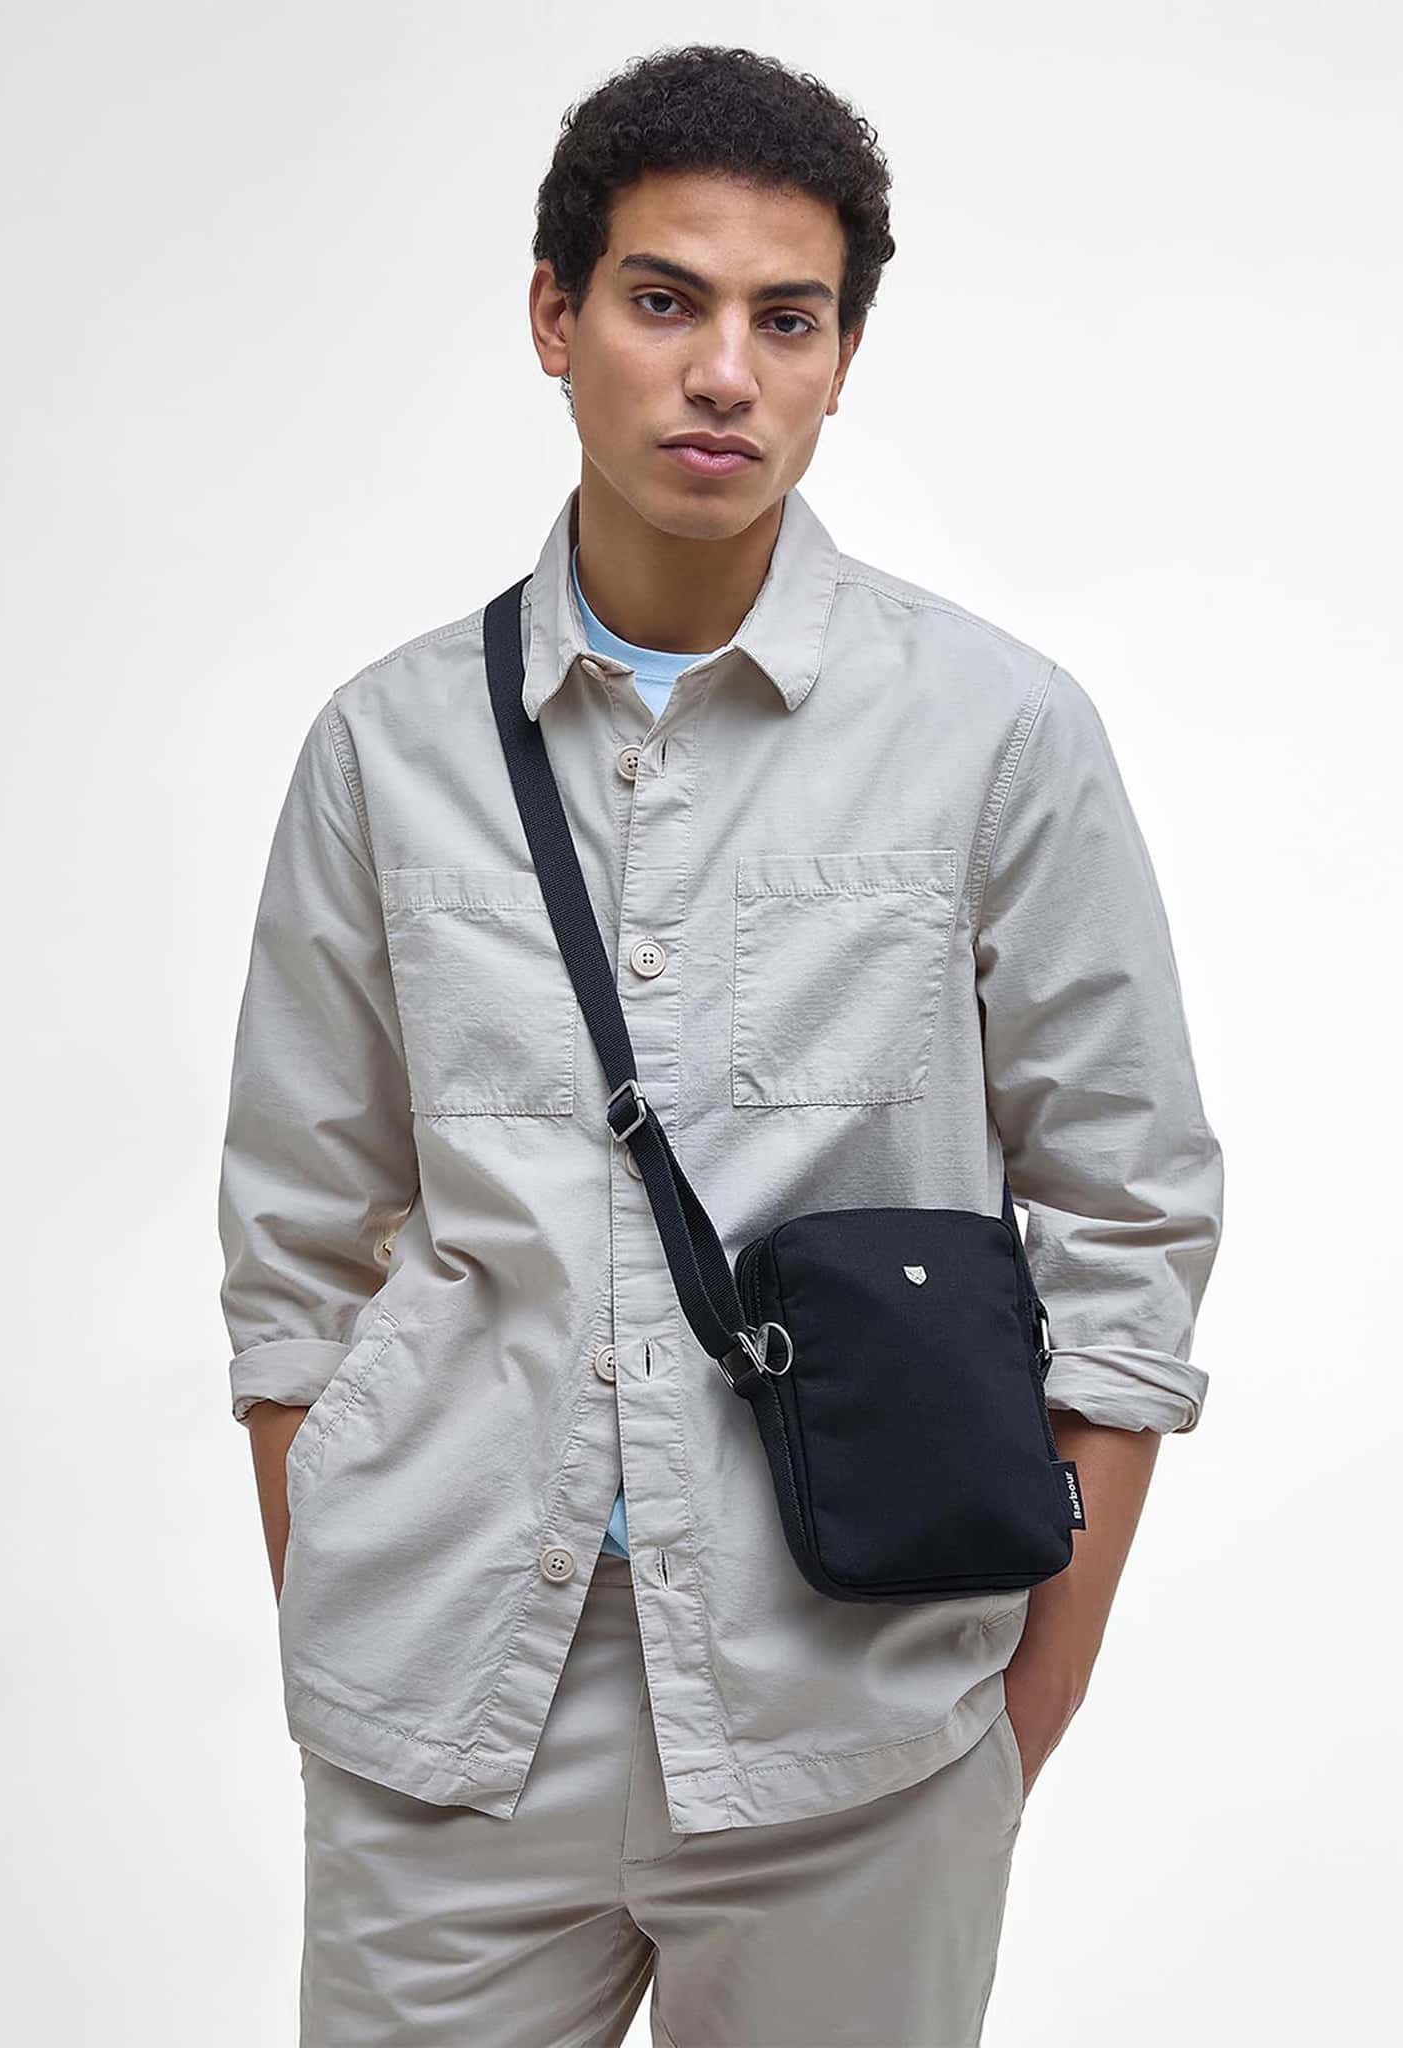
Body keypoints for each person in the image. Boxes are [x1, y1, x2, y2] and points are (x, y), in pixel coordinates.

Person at [217, 42, 1224, 2048]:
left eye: (787, 319)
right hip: (448, 1734)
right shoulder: (385, 749)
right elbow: (298, 1249)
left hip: (854, 1721)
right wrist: (356, 1617)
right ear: (553, 316)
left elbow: (1128, 1222)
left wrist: (1010, 1724)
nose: (721, 374)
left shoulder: (995, 735)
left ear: (842, 357)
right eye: (663, 299)